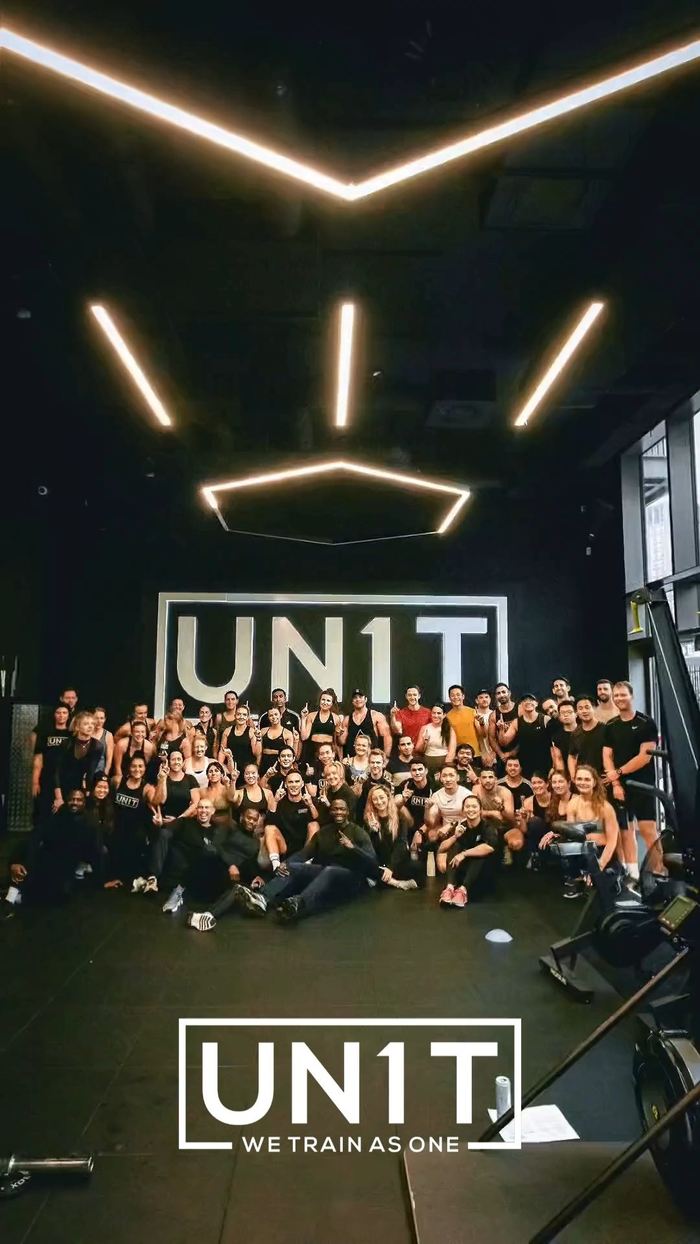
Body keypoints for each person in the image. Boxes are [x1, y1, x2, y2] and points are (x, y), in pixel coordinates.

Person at [233, 797, 393, 924]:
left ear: (347, 812)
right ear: (331, 812)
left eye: (342, 809)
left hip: (352, 877)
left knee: (330, 871)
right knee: (294, 866)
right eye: (335, 809)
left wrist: (353, 848)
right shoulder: (323, 833)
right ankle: (262, 898)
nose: (338, 812)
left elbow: (372, 862)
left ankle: (299, 902)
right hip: (326, 873)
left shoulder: (357, 832)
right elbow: (304, 854)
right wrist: (285, 864)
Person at [2, 790, 99, 916]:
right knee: (30, 852)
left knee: (61, 896)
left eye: (79, 800)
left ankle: (19, 898)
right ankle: (10, 897)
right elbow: (36, 837)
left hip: (69, 867)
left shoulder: (89, 823)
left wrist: (100, 880)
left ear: (84, 803)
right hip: (50, 860)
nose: (75, 802)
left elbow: (94, 850)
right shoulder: (57, 818)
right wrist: (15, 862)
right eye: (72, 799)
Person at [602, 680, 659, 883]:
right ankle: (633, 874)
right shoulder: (611, 725)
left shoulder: (646, 723)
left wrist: (617, 773)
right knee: (625, 831)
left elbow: (645, 757)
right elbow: (607, 755)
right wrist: (616, 784)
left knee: (648, 830)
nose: (619, 698)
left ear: (631, 696)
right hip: (619, 786)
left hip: (643, 784)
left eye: (623, 695)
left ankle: (659, 872)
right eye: (616, 695)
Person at [537, 765, 620, 898]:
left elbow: (612, 841)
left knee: (602, 889)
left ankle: (611, 876)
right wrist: (555, 834)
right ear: (575, 781)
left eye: (587, 779)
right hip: (585, 849)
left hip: (603, 852)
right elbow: (572, 833)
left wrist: (599, 866)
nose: (583, 782)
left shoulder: (606, 807)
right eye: (580, 779)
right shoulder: (573, 804)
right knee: (560, 847)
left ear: (594, 782)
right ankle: (579, 879)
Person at [185, 806, 268, 932]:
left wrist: (256, 877)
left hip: (232, 878)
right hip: (216, 867)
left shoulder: (255, 843)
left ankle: (207, 916)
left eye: (254, 820)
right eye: (249, 818)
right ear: (241, 818)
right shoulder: (230, 828)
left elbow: (250, 865)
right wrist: (230, 864)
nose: (251, 821)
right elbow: (215, 845)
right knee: (209, 851)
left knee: (238, 889)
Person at [160, 798, 235, 915]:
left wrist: (231, 865)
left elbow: (222, 850)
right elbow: (167, 830)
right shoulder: (185, 822)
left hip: (206, 871)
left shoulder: (218, 830)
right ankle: (177, 894)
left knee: (212, 852)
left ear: (213, 811)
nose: (203, 810)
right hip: (185, 862)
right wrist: (161, 823)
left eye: (207, 808)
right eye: (200, 807)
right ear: (196, 810)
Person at [437, 794, 498, 908]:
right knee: (455, 845)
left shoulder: (487, 827)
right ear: (463, 810)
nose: (471, 809)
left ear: (480, 810)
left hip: (482, 872)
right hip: (464, 870)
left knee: (479, 851)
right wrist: (455, 836)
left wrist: (464, 854)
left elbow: (489, 847)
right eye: (468, 806)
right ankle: (450, 887)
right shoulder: (460, 826)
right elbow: (442, 848)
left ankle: (463, 891)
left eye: (474, 807)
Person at [109, 756, 154, 889]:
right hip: (116, 826)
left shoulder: (147, 788)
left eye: (140, 766)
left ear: (145, 769)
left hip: (135, 830)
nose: (137, 769)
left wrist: (162, 779)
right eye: (134, 766)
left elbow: (157, 801)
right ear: (129, 768)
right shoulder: (118, 781)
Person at [363, 786, 419, 886]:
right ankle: (396, 883)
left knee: (417, 868)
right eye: (375, 799)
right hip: (378, 860)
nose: (379, 802)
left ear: (388, 797)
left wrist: (390, 867)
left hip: (395, 860)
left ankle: (381, 880)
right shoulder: (369, 819)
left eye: (381, 797)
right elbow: (370, 848)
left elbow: (401, 844)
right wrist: (375, 832)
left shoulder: (400, 817)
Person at [53, 711, 106, 807]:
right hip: (64, 785)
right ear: (77, 727)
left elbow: (90, 772)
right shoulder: (66, 744)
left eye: (92, 724)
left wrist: (88, 794)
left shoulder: (97, 746)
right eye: (86, 724)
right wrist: (58, 797)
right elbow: (56, 771)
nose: (90, 726)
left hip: (83, 787)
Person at [31, 704, 71, 818]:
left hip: (65, 776)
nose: (61, 715)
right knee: (44, 808)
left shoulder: (72, 734)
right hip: (46, 775)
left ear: (69, 715)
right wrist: (35, 781)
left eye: (64, 713)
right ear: (54, 715)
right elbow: (38, 758)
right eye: (58, 713)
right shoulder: (45, 733)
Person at [500, 694, 551, 779]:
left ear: (536, 703)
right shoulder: (516, 722)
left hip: (545, 763)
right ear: (521, 705)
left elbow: (554, 745)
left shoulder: (545, 719)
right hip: (525, 765)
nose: (528, 702)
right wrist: (501, 729)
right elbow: (504, 742)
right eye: (525, 701)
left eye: (531, 700)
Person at [145, 749, 199, 822]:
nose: (176, 762)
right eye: (173, 759)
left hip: (184, 821)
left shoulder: (190, 779)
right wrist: (163, 779)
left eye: (179, 759)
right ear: (169, 762)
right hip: (164, 821)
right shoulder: (162, 777)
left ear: (183, 762)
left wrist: (178, 820)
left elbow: (195, 803)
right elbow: (161, 801)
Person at [338, 689, 392, 759]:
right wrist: (338, 731)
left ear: (366, 699)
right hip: (353, 759)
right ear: (352, 701)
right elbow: (342, 741)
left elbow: (387, 737)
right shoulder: (347, 719)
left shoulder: (376, 716)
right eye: (355, 697)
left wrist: (386, 757)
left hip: (371, 759)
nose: (358, 699)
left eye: (360, 697)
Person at [395, 760, 436, 842]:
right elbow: (394, 803)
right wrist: (403, 799)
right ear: (410, 772)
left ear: (426, 771)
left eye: (420, 769)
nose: (417, 773)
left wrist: (420, 832)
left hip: (429, 824)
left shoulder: (434, 785)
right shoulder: (406, 784)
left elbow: (436, 816)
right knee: (400, 808)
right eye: (414, 770)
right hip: (409, 824)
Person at [568, 695, 607, 778]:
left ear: (594, 708)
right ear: (576, 712)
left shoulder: (605, 729)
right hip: (583, 779)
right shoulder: (575, 733)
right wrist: (573, 775)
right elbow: (571, 756)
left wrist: (611, 773)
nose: (584, 711)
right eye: (580, 708)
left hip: (602, 778)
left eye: (587, 707)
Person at [426, 765, 470, 835]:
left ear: (458, 778)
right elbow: (431, 823)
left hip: (464, 828)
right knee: (432, 835)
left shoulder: (467, 795)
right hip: (445, 832)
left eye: (451, 775)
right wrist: (427, 809)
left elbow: (473, 817)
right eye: (444, 776)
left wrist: (452, 825)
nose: (448, 779)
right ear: (440, 778)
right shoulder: (437, 795)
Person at [299, 689, 341, 761]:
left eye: (328, 700)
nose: (325, 702)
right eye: (323, 700)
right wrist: (303, 718)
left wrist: (339, 758)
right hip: (312, 751)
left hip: (328, 752)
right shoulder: (311, 716)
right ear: (320, 701)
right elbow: (304, 737)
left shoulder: (336, 718)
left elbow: (336, 742)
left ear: (332, 703)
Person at [313, 759, 358, 825]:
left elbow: (346, 819)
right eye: (328, 775)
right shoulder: (328, 791)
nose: (331, 777)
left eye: (334, 773)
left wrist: (328, 805)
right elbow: (322, 817)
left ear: (340, 775)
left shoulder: (348, 794)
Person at [415, 704, 457, 774]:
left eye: (439, 713)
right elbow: (418, 749)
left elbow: (451, 752)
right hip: (428, 761)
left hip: (443, 761)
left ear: (444, 715)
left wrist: (444, 768)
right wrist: (424, 742)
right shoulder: (425, 728)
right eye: (434, 713)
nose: (436, 715)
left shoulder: (449, 730)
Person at [112, 719, 155, 786]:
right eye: (137, 732)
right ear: (131, 733)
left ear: (146, 734)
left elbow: (147, 769)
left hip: (139, 778)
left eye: (142, 732)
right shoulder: (121, 745)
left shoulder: (149, 747)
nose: (140, 734)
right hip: (123, 776)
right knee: (117, 780)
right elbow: (117, 768)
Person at [219, 703, 261, 771]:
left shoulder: (251, 732)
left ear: (247, 717)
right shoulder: (227, 731)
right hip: (231, 769)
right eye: (239, 714)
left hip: (247, 771)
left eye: (244, 715)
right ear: (235, 716)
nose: (241, 717)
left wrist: (258, 739)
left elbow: (256, 753)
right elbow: (222, 751)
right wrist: (220, 767)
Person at [258, 706, 298, 776]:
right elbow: (259, 752)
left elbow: (290, 754)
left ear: (281, 715)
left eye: (276, 714)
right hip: (264, 764)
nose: (274, 717)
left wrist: (296, 741)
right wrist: (257, 766)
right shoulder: (263, 731)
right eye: (271, 715)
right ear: (268, 717)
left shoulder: (287, 733)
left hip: (280, 766)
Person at [489, 683, 519, 769]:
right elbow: (491, 738)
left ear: (509, 693)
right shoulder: (494, 715)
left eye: (503, 692)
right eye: (498, 693)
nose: (501, 695)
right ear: (496, 696)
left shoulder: (520, 709)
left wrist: (513, 752)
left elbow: (525, 734)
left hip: (520, 752)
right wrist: (501, 755)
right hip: (503, 756)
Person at [446, 684, 480, 752]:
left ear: (463, 696)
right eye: (452, 695)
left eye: (458, 695)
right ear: (449, 698)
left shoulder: (473, 712)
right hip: (457, 754)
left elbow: (482, 734)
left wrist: (482, 723)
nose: (455, 697)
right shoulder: (447, 717)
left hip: (474, 753)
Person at [549, 700, 578, 773]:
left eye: (569, 712)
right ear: (559, 717)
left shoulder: (585, 730)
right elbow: (558, 759)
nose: (566, 715)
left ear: (576, 714)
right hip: (566, 773)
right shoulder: (556, 737)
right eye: (562, 713)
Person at [473, 689, 496, 766]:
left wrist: (493, 754)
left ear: (490, 699)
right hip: (477, 755)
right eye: (481, 697)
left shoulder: (495, 714)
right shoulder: (473, 714)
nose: (484, 699)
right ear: (476, 701)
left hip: (494, 755)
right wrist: (481, 723)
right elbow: (483, 734)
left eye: (486, 697)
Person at [91, 708, 114, 775]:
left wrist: (105, 774)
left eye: (101, 718)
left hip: (100, 772)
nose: (99, 721)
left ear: (105, 719)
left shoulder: (108, 735)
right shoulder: (87, 733)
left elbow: (109, 759)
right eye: (96, 718)